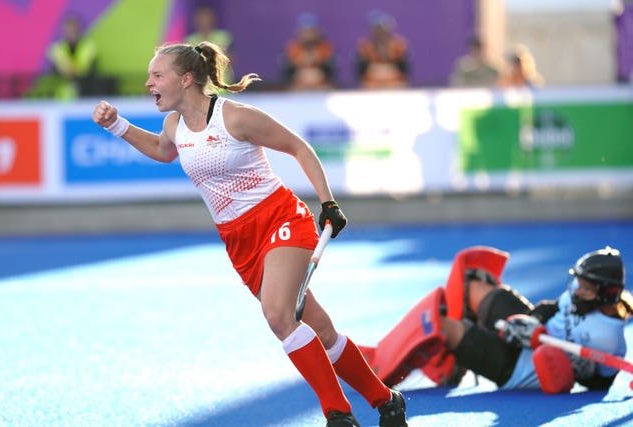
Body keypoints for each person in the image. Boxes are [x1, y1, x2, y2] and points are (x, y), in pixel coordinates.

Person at [91, 41, 407, 427]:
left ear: (186, 79)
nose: (148, 83)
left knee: (278, 315)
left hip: (279, 219)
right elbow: (162, 150)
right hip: (239, 240)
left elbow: (299, 147)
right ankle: (386, 400)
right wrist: (116, 126)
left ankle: (338, 414)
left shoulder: (235, 117)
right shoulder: (173, 125)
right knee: (321, 331)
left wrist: (328, 203)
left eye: (157, 75)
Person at [360, 246, 632, 394]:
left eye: (585, 286)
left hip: (522, 365)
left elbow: (600, 384)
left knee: (442, 325)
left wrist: (579, 369)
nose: (576, 289)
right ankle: (453, 361)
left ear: (606, 293)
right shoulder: (579, 297)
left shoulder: (610, 340)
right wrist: (533, 322)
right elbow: (551, 307)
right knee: (473, 281)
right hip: (527, 330)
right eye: (578, 282)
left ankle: (384, 367)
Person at [29, 13, 98, 99]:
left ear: (79, 30)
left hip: (85, 93)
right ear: (63, 32)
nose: (71, 35)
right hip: (60, 96)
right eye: (68, 31)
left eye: (74, 31)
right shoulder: (56, 49)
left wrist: (72, 72)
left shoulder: (89, 47)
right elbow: (55, 73)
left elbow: (88, 71)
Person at [355, 11, 410, 89]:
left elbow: (404, 68)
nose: (381, 32)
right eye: (377, 29)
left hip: (395, 86)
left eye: (383, 29)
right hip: (371, 87)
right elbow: (361, 70)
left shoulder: (399, 45)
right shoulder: (365, 47)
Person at [281, 13, 336, 90]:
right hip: (298, 87)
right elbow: (288, 70)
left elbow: (331, 69)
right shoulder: (293, 48)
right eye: (305, 31)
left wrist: (316, 71)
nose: (308, 34)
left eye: (311, 31)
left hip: (322, 87)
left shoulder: (325, 47)